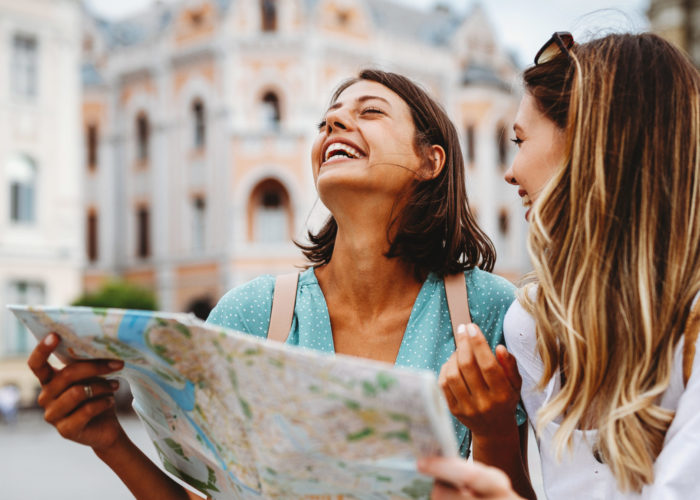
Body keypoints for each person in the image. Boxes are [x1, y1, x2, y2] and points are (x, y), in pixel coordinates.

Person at [27, 69, 531, 499]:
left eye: (370, 112)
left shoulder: (488, 310)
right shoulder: (250, 313)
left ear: (430, 161)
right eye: (327, 119)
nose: (334, 121)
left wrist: (492, 432)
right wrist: (109, 440)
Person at [420, 31, 700, 499]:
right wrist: (492, 432)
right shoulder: (534, 323)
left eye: (520, 140)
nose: (510, 171)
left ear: (591, 143)